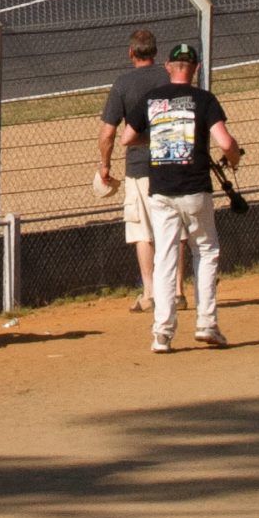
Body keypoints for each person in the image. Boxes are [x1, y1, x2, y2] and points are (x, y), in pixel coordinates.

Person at [118, 42, 241, 351]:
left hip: (161, 190)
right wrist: (234, 157)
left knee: (165, 256)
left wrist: (160, 136)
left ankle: (162, 333)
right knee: (206, 251)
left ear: (168, 67)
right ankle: (207, 323)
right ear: (196, 68)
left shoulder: (152, 99)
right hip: (195, 188)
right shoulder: (204, 99)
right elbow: (226, 143)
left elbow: (126, 138)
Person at [96, 28, 169, 312]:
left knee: (142, 231)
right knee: (173, 229)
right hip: (171, 162)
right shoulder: (168, 77)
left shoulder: (123, 83)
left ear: (131, 53)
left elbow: (108, 133)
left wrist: (105, 164)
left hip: (139, 167)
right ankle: (176, 290)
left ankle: (150, 293)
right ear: (155, 51)